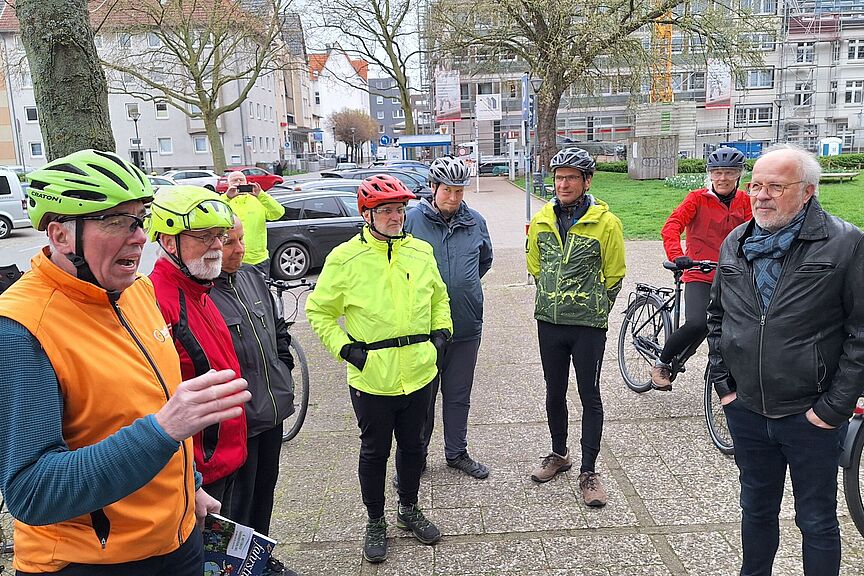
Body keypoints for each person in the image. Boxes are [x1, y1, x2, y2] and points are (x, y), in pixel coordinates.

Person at [0, 150, 249, 574]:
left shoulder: (137, 292)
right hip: (92, 561)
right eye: (115, 220)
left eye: (141, 218)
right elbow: (32, 492)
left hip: (178, 538)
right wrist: (164, 430)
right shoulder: (21, 328)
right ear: (61, 236)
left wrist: (190, 486)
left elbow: (145, 407)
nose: (137, 236)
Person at [707, 143, 864, 576]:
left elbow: (861, 334)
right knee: (755, 510)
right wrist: (725, 387)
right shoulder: (736, 242)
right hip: (748, 411)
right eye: (757, 184)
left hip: (810, 414)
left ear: (808, 191)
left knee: (815, 520)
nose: (760, 195)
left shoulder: (845, 243)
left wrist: (833, 409)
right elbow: (717, 316)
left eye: (776, 186)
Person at [305, 174, 452, 564]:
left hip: (420, 370)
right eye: (386, 210)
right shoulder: (344, 258)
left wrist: (442, 334)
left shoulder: (420, 252)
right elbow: (318, 311)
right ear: (366, 214)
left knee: (415, 446)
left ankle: (408, 509)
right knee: (374, 451)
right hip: (371, 375)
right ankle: (375, 521)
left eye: (400, 209)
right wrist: (345, 350)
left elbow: (439, 296)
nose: (395, 217)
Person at [526, 147, 625, 508]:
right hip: (549, 323)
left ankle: (588, 470)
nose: (563, 183)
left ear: (587, 181)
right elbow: (534, 264)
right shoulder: (541, 219)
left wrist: (594, 306)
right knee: (554, 391)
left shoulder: (606, 223)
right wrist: (553, 297)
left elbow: (614, 274)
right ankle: (558, 453)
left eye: (571, 177)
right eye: (559, 177)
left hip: (588, 327)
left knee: (589, 395)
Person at [147, 186, 248, 510]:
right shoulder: (157, 302)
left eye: (219, 235)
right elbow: (153, 402)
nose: (217, 245)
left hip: (229, 458)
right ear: (168, 240)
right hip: (199, 477)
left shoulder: (200, 290)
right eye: (204, 236)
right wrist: (189, 478)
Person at [210, 216, 298, 576]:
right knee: (236, 506)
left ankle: (259, 559)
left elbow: (276, 326)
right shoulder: (205, 292)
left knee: (264, 494)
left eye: (241, 240)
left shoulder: (250, 276)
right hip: (237, 422)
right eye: (230, 242)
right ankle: (234, 566)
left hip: (270, 412)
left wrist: (283, 360)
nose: (239, 249)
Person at [403, 156, 493, 480]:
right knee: (421, 398)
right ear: (432, 187)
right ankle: (416, 456)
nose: (453, 198)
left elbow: (486, 261)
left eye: (458, 191)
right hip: (423, 329)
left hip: (466, 325)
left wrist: (463, 285)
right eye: (447, 190)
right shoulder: (412, 220)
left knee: (458, 395)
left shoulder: (476, 222)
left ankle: (456, 452)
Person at [650, 146, 752, 391]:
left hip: (732, 274)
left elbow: (756, 231)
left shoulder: (746, 201)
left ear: (739, 175)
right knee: (697, 322)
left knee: (739, 325)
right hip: (700, 271)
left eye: (729, 172)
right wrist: (678, 256)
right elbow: (672, 226)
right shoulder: (697, 198)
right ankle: (662, 362)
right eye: (717, 173)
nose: (723, 178)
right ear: (710, 174)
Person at [222, 170, 285, 277]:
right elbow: (211, 214)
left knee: (261, 292)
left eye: (241, 179)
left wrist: (261, 195)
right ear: (228, 184)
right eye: (234, 180)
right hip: (232, 259)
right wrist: (227, 197)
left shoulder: (258, 200)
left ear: (246, 182)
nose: (238, 182)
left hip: (258, 260)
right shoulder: (224, 202)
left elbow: (278, 213)